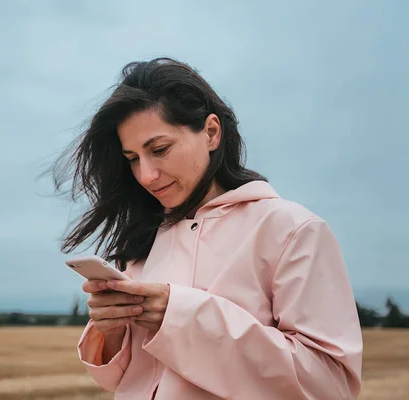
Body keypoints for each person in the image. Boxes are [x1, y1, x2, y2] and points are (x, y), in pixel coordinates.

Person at [50, 57, 363, 399]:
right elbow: (127, 382)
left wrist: (181, 315)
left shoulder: (292, 230)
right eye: (133, 159)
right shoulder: (144, 241)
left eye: (159, 149)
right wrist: (111, 332)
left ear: (212, 132)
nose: (145, 175)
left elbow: (330, 384)